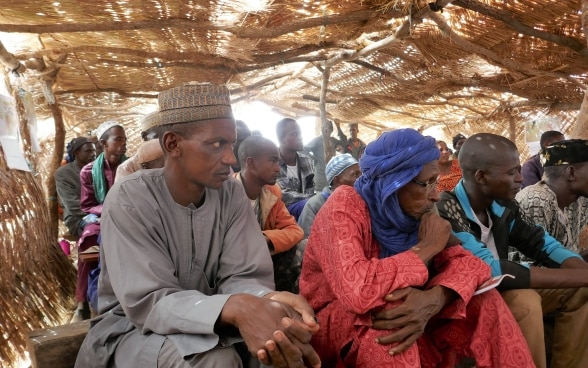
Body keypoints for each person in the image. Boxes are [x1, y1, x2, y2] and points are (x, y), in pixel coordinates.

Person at [75, 83, 320, 368]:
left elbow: (242, 276)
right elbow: (149, 301)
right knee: (215, 361)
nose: (230, 159)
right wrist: (235, 307)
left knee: (278, 338)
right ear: (172, 144)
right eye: (217, 144)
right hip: (132, 330)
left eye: (231, 144)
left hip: (213, 320)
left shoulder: (231, 194)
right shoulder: (130, 198)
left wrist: (268, 298)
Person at [299, 128, 534, 368]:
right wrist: (427, 247)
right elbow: (359, 292)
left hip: (396, 311)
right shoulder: (345, 204)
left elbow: (471, 264)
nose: (435, 196)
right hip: (333, 324)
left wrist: (435, 298)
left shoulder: (415, 211)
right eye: (426, 183)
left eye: (436, 182)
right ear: (393, 183)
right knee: (394, 315)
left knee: (486, 301)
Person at [436, 133, 588, 368]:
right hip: (465, 302)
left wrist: (581, 271)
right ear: (481, 176)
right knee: (524, 301)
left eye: (519, 170)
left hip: (500, 290)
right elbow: (490, 270)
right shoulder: (447, 210)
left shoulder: (502, 205)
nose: (520, 178)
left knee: (579, 290)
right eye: (511, 173)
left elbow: (540, 243)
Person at [233, 135, 305, 293]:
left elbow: (295, 231)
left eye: (278, 162)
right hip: (232, 267)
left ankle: (290, 301)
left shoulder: (271, 194)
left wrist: (264, 238)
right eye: (272, 161)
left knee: (305, 247)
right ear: (250, 163)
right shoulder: (225, 193)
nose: (278, 168)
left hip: (262, 260)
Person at [76, 121, 127, 320]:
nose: (124, 144)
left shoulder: (131, 165)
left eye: (125, 139)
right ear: (104, 143)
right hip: (101, 217)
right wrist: (109, 209)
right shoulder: (88, 171)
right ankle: (83, 301)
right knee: (89, 239)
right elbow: (87, 204)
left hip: (130, 215)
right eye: (119, 139)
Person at [516, 139, 588, 258]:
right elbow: (530, 268)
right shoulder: (535, 201)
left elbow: (567, 256)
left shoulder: (580, 200)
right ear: (571, 173)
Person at [298, 153, 360, 238]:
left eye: (361, 174)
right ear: (337, 180)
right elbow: (307, 241)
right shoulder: (315, 205)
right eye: (355, 175)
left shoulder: (361, 201)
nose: (361, 179)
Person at [55, 137, 96, 238]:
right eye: (88, 151)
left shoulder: (98, 169)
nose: (93, 154)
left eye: (94, 150)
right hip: (77, 218)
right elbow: (72, 204)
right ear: (77, 153)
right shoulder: (64, 173)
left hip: (100, 213)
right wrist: (99, 212)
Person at [276, 117, 315, 219]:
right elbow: (282, 196)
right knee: (315, 204)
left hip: (304, 207)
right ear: (281, 139)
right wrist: (314, 200)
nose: (301, 137)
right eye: (295, 134)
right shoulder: (273, 162)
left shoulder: (307, 161)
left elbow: (310, 189)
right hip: (280, 211)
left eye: (300, 133)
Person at [304, 120, 347, 191]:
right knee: (320, 199)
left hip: (331, 176)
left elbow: (344, 142)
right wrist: (314, 159)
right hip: (320, 178)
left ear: (331, 130)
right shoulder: (317, 140)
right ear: (321, 129)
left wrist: (338, 127)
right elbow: (304, 149)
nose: (326, 129)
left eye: (328, 127)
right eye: (324, 127)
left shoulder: (333, 140)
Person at [115, 112, 159, 182]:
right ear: (144, 136)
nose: (164, 142)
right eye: (158, 137)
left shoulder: (174, 160)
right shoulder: (126, 168)